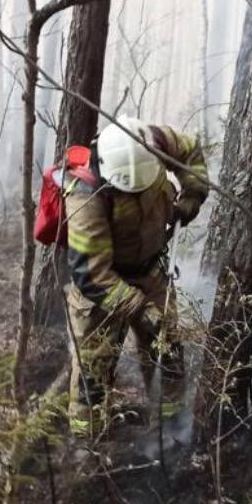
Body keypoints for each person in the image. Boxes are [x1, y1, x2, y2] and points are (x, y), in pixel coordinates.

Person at [64, 116, 208, 439]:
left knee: (168, 350)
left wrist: (192, 196)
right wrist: (141, 310)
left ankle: (170, 431)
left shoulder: (153, 140)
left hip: (149, 269)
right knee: (93, 372)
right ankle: (87, 445)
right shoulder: (84, 195)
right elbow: (92, 274)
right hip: (101, 290)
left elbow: (192, 151)